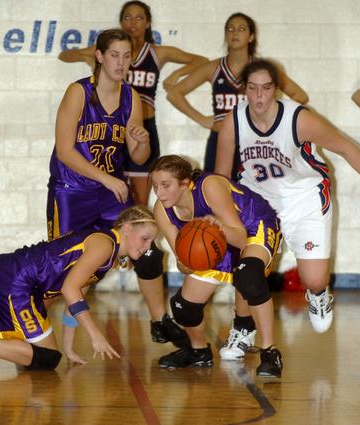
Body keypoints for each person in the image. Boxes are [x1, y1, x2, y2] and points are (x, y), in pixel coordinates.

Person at [49, 28, 188, 360]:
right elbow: (65, 151)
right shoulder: (79, 92)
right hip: (71, 191)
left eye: (127, 56)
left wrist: (141, 142)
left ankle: (159, 321)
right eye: (114, 55)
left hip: (110, 191)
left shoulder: (131, 97)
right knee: (68, 274)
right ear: (99, 56)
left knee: (148, 250)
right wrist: (105, 178)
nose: (121, 62)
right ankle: (26, 326)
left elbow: (139, 157)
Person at [215, 59, 360, 351]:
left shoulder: (299, 119)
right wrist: (221, 217)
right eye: (252, 88)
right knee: (247, 269)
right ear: (244, 90)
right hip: (258, 201)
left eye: (266, 88)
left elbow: (346, 147)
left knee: (314, 279)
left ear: (276, 90)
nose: (259, 96)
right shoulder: (233, 122)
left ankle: (318, 294)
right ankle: (243, 330)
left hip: (304, 199)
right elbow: (220, 178)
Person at [0, 206, 159, 370]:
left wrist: (69, 348)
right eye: (145, 238)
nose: (148, 247)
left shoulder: (106, 250)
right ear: (127, 227)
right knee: (47, 358)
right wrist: (95, 335)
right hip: (16, 282)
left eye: (152, 242)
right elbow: (70, 289)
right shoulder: (105, 245)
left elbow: (74, 302)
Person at [59, 1, 208, 206]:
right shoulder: (104, 57)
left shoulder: (156, 53)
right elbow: (64, 55)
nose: (133, 22)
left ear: (148, 23)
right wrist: (87, 56)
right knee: (111, 192)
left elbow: (200, 60)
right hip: (111, 130)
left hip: (141, 127)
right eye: (127, 17)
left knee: (139, 201)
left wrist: (176, 74)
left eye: (139, 18)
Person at [150, 155, 283, 377]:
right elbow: (184, 261)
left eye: (166, 185)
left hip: (251, 225)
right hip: (214, 239)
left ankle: (269, 352)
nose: (159, 193)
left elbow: (240, 239)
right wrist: (186, 264)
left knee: (249, 277)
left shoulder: (209, 187)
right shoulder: (162, 210)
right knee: (183, 307)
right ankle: (199, 351)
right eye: (155, 186)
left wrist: (219, 228)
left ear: (185, 183)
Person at [166, 12, 308, 179]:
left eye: (241, 29)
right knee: (215, 188)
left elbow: (300, 96)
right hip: (220, 138)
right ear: (225, 35)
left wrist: (273, 120)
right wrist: (202, 119)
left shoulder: (263, 70)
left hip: (255, 140)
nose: (234, 33)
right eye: (230, 29)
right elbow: (174, 94)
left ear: (251, 36)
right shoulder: (214, 68)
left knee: (254, 191)